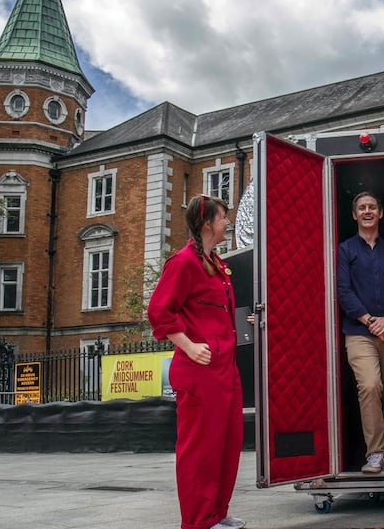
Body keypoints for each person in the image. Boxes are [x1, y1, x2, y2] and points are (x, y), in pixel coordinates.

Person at [147, 194, 245, 529]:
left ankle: (217, 512)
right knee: (200, 449)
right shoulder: (183, 262)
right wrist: (188, 346)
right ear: (207, 224)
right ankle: (199, 521)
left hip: (224, 369)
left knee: (227, 443)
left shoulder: (215, 263)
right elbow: (158, 311)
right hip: (198, 370)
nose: (227, 223)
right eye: (223, 218)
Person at [336, 191, 384, 474]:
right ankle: (375, 454)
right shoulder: (345, 250)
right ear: (354, 215)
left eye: (372, 207)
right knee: (369, 386)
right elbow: (343, 291)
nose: (367, 211)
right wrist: (371, 322)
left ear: (380, 214)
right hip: (358, 332)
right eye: (362, 208)